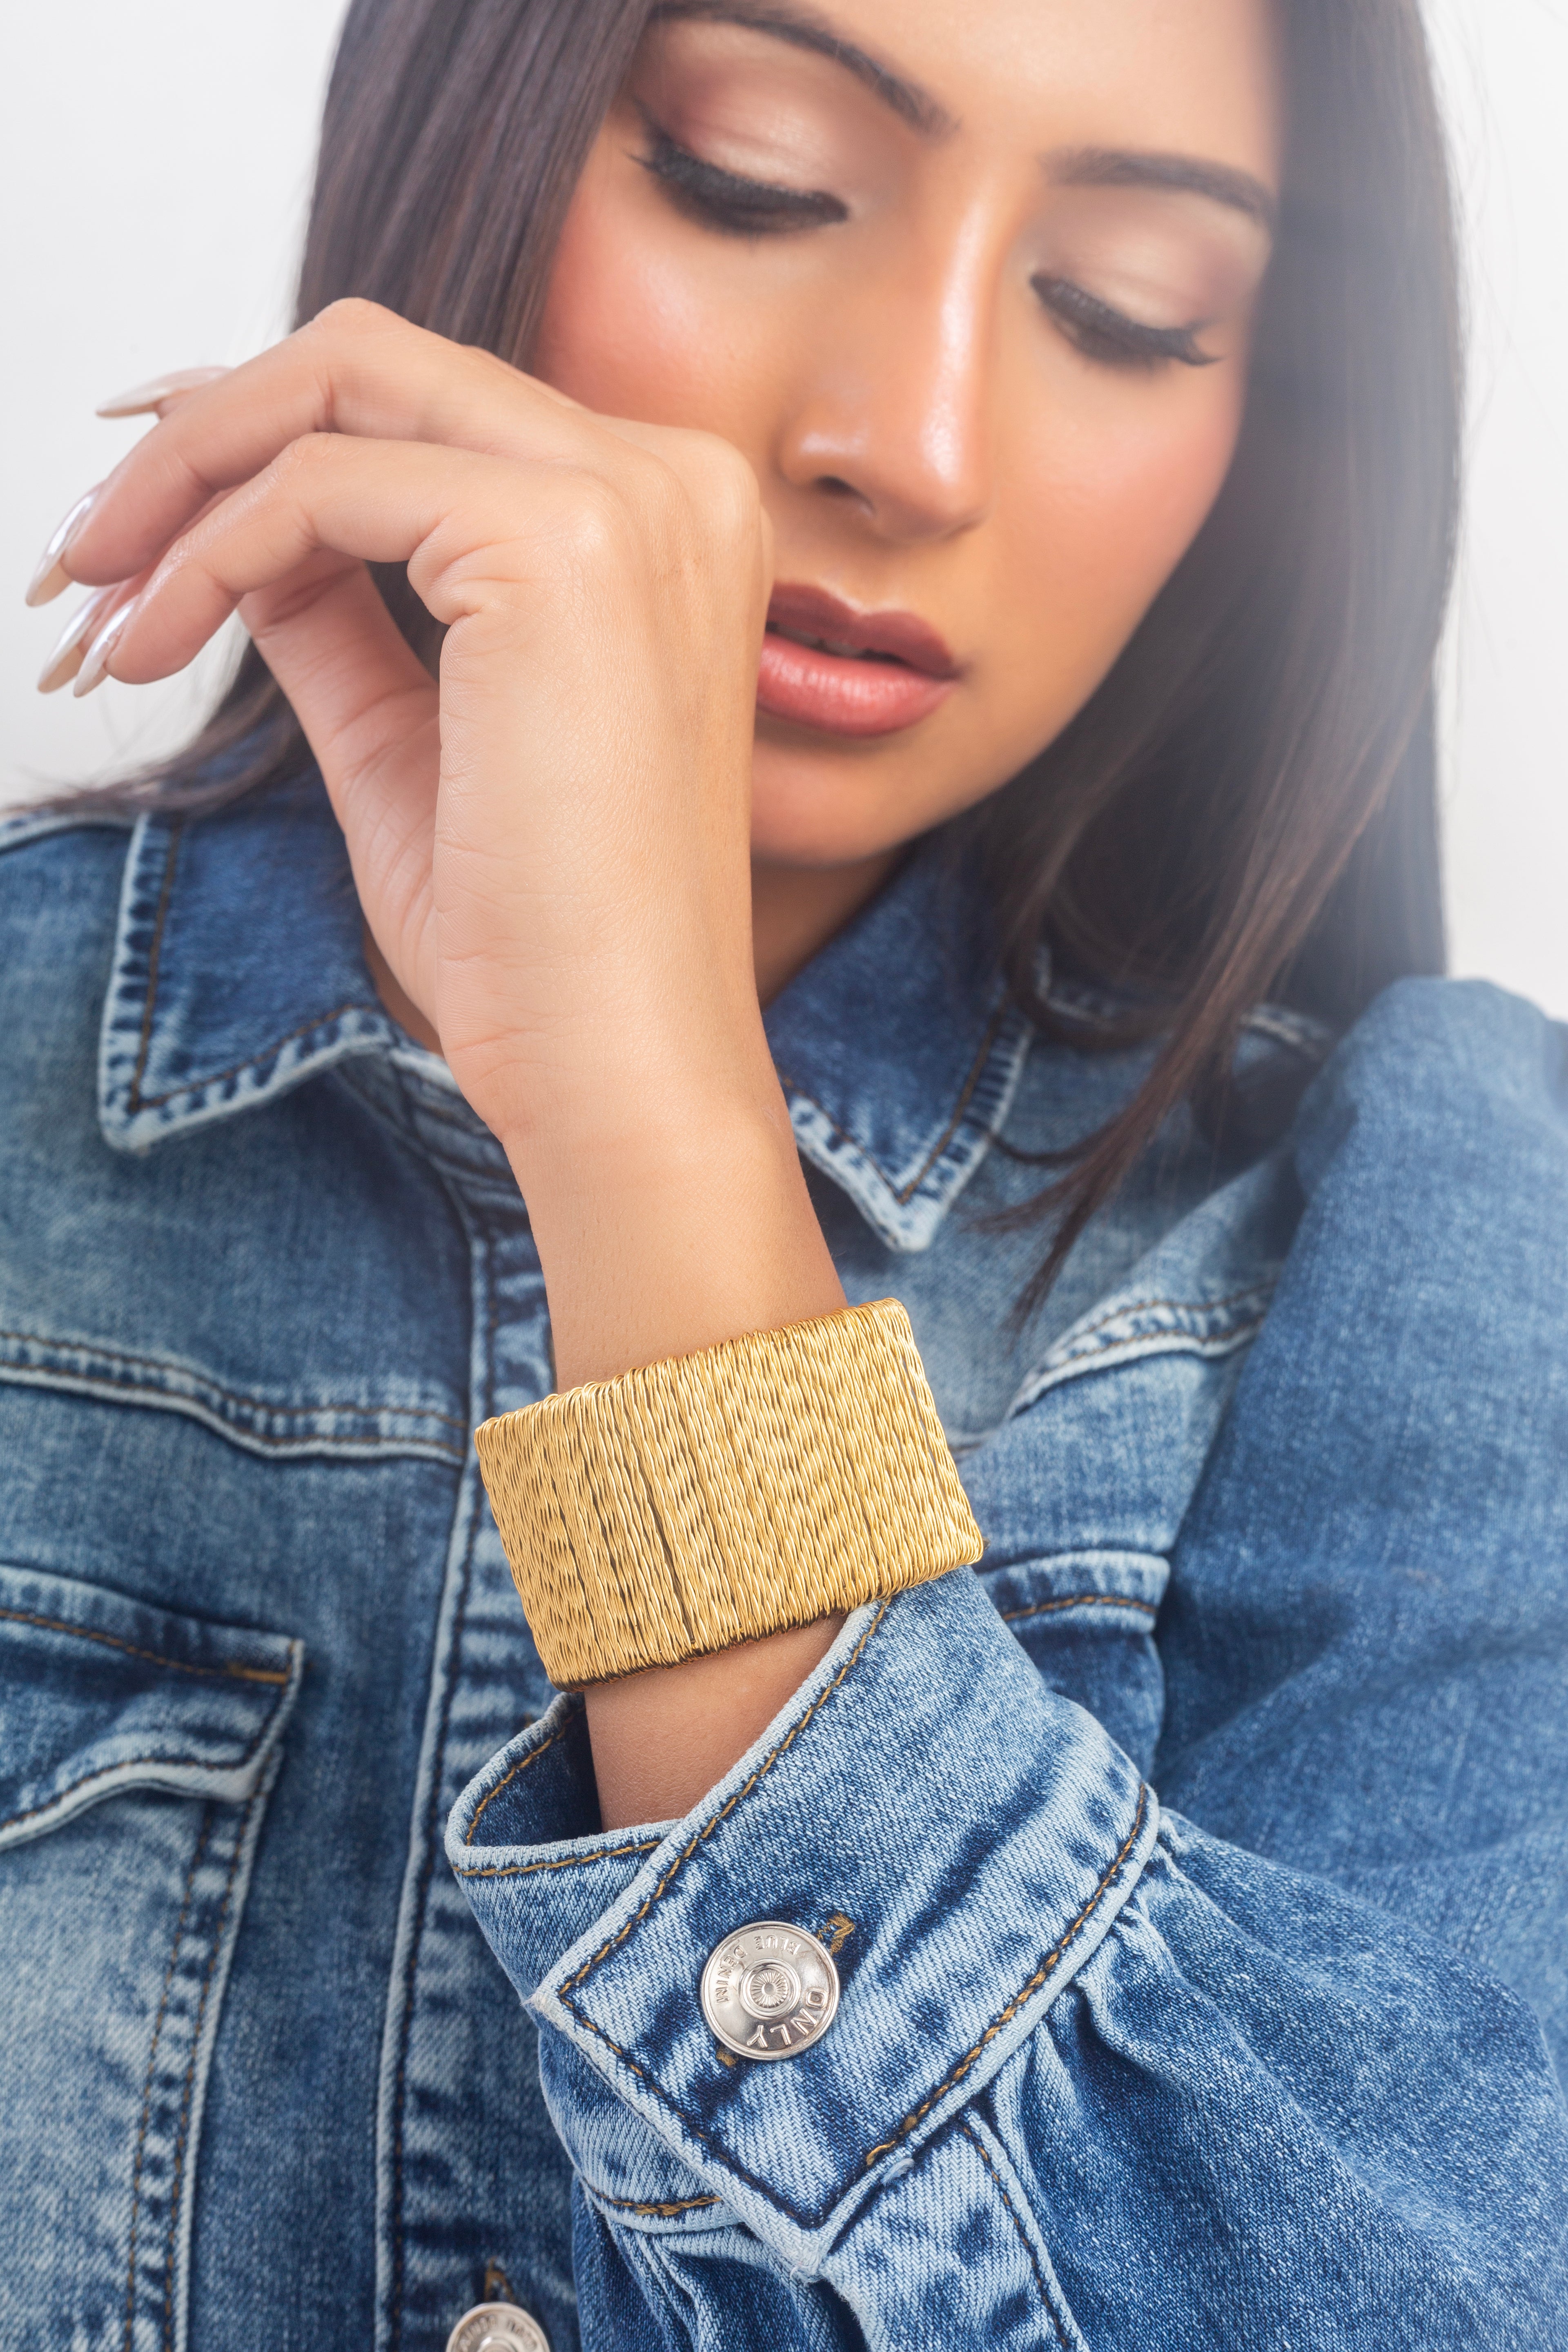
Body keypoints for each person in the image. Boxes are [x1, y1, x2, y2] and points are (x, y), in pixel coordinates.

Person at [4, 0, 1565, 2344]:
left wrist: (651, 1127)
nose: (907, 447)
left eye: (1127, 309)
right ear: (471, 129)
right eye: (755, 180)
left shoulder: (1424, 1237)